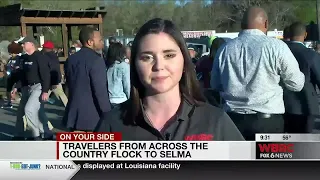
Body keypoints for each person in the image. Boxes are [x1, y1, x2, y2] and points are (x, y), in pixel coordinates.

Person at [96, 18, 244, 141]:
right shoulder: (112, 124)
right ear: (134, 64)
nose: (159, 66)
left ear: (185, 61)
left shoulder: (216, 122)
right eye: (147, 57)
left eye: (169, 55)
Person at [210, 7, 305, 140]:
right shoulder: (277, 47)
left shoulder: (224, 49)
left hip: (232, 121)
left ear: (242, 25)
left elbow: (215, 84)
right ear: (266, 24)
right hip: (267, 122)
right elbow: (296, 84)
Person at [63, 26, 112, 132]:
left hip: (73, 114)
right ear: (90, 42)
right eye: (99, 40)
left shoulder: (71, 59)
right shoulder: (96, 60)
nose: (102, 42)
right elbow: (100, 91)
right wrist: (108, 114)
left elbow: (68, 86)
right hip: (92, 118)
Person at [283, 22, 320, 133]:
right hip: (306, 104)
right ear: (305, 35)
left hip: (283, 104)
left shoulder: (280, 51)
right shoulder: (310, 55)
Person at [14, 36, 51, 140]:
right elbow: (22, 75)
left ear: (31, 44)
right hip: (27, 87)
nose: (22, 45)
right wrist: (16, 87)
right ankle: (19, 135)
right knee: (23, 111)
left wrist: (45, 91)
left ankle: (36, 135)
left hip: (38, 87)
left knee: (29, 110)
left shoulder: (40, 57)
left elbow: (45, 75)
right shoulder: (25, 58)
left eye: (24, 43)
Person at [42, 40, 68, 107]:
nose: (42, 48)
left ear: (46, 48)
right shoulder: (54, 56)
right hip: (54, 80)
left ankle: (69, 109)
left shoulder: (46, 57)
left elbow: (52, 70)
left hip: (52, 81)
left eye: (44, 47)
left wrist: (54, 82)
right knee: (61, 96)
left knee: (61, 96)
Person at [106, 42, 130, 108]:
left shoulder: (107, 66)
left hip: (109, 99)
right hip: (121, 99)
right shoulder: (124, 66)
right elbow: (127, 85)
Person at [1, 42, 23, 108]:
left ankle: (23, 102)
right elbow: (7, 67)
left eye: (11, 52)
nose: (10, 53)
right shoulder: (10, 59)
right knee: (8, 89)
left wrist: (17, 68)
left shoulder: (19, 58)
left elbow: (20, 66)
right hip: (10, 76)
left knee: (20, 90)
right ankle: (9, 102)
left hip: (17, 75)